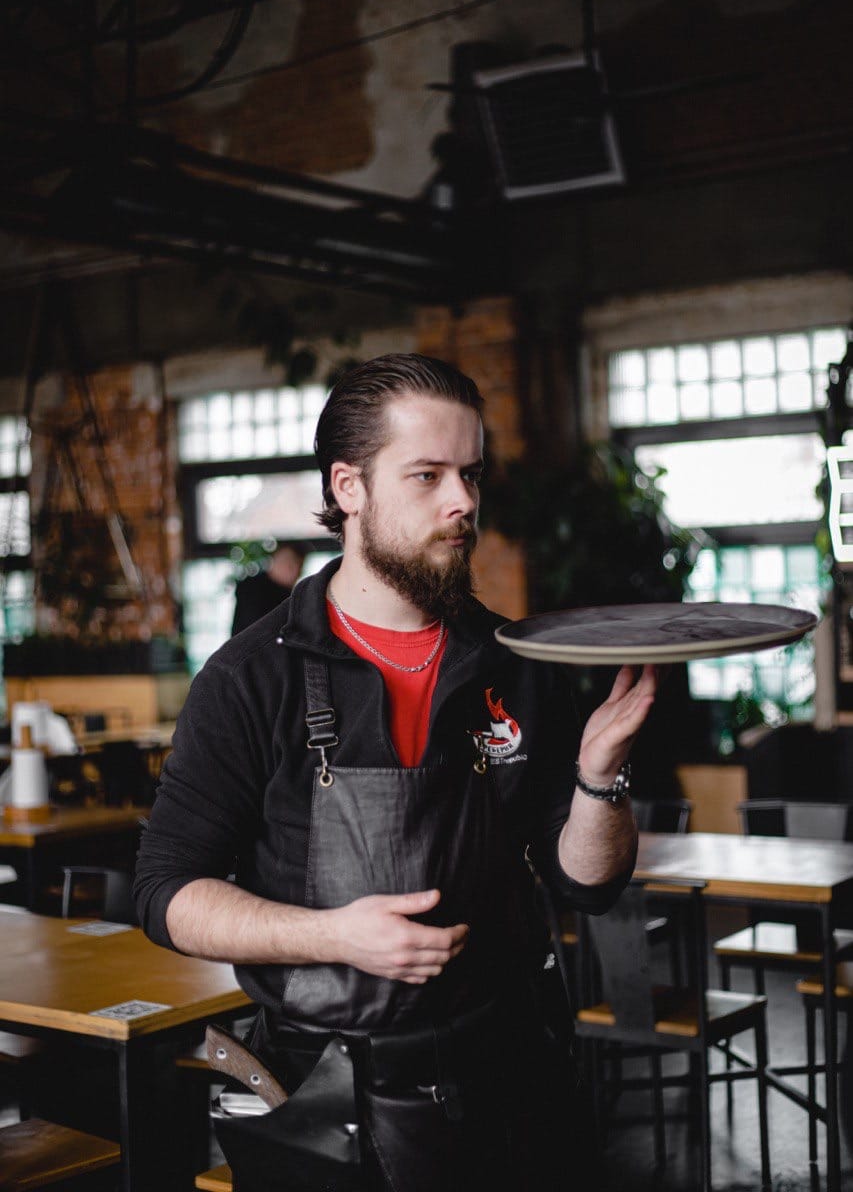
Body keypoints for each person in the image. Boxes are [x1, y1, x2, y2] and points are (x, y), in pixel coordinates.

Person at [134, 354, 657, 1191]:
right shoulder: (249, 678)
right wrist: (333, 935)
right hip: (320, 1088)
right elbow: (165, 892)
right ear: (348, 487)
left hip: (511, 1077)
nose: (462, 503)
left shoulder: (515, 663)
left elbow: (587, 882)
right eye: (427, 476)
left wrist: (600, 776)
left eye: (470, 475)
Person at [231, 542, 305, 635]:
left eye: (299, 565)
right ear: (274, 559)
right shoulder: (253, 588)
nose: (294, 570)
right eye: (288, 563)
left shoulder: (291, 596)